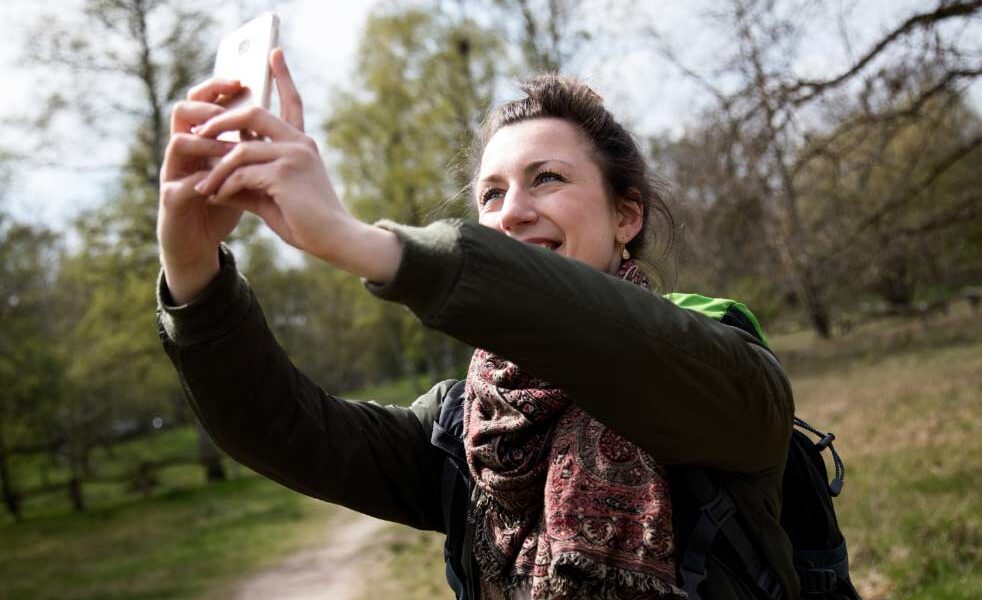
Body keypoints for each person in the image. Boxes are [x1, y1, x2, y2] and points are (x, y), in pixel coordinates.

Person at [156, 48, 796, 600]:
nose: (512, 211)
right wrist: (191, 270)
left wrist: (361, 244)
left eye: (546, 178)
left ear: (627, 217)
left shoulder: (718, 361)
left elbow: (624, 342)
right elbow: (279, 427)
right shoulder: (465, 428)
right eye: (490, 194)